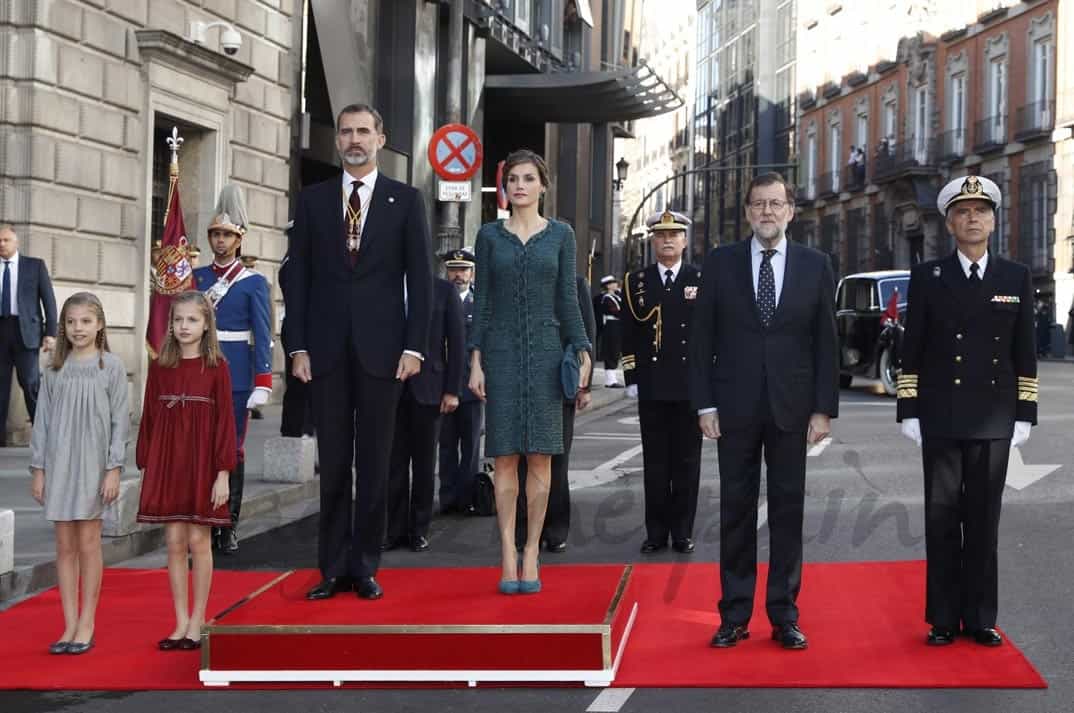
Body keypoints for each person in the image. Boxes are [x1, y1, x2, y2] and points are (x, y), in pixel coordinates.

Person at [285, 103, 433, 601]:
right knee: (333, 464)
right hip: (324, 353)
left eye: (363, 131)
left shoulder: (406, 201)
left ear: (380, 138)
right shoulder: (312, 202)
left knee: (374, 464)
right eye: (346, 131)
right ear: (338, 141)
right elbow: (298, 279)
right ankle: (330, 566)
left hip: (384, 354)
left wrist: (415, 347)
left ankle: (365, 564)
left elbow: (422, 282)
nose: (354, 139)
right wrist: (297, 345)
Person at [690, 172, 839, 651]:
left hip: (792, 409)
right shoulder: (720, 263)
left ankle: (785, 615)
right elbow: (702, 341)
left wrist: (823, 409)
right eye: (758, 205)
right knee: (735, 511)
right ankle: (734, 614)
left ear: (791, 211)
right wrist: (705, 404)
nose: (767, 212)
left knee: (787, 514)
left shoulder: (816, 266)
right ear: (749, 212)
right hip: (732, 408)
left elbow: (826, 345)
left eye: (776, 204)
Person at [896, 175, 1037, 647]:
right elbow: (910, 348)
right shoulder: (929, 277)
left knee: (983, 521)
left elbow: (1025, 350)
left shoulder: (1015, 277)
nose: (972, 218)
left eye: (980, 210)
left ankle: (979, 618)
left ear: (994, 221)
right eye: (962, 211)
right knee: (941, 519)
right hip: (940, 414)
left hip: (994, 419)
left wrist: (1024, 414)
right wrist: (909, 410)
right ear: (950, 223)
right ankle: (942, 618)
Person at [468, 149, 592, 595]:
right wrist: (475, 358)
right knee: (504, 457)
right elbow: (480, 302)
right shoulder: (488, 236)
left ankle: (533, 550)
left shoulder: (561, 235)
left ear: (543, 186)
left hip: (545, 355)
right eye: (512, 179)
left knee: (541, 457)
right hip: (500, 355)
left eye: (527, 178)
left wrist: (583, 350)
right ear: (504, 188)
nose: (518, 185)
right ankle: (506, 551)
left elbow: (568, 300)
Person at [29, 292, 128, 655]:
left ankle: (87, 622)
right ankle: (68, 623)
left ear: (100, 324)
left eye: (85, 321)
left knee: (88, 544)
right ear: (63, 326)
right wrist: (38, 469)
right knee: (64, 546)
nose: (78, 328)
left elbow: (120, 422)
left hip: (93, 466)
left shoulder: (111, 366)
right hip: (59, 463)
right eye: (71, 322)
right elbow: (42, 422)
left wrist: (113, 469)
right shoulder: (54, 367)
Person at [136, 291, 237, 651]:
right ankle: (179, 621)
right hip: (169, 463)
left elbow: (226, 422)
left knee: (199, 540)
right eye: (178, 319)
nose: (183, 326)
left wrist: (223, 472)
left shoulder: (217, 369)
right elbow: (149, 415)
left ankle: (198, 619)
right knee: (174, 542)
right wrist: (147, 462)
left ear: (206, 324)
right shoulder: (161, 366)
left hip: (203, 464)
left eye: (192, 320)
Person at [193, 186, 273, 555]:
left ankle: (229, 525)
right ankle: (206, 520)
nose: (219, 240)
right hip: (200, 370)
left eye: (226, 234)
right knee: (203, 447)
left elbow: (262, 333)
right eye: (215, 234)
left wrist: (263, 381)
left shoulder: (253, 282)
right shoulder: (197, 278)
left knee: (233, 448)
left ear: (239, 238)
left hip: (237, 373)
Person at [622, 210, 703, 555]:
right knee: (655, 462)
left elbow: (710, 335)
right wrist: (630, 376)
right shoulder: (636, 282)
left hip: (688, 386)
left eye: (674, 234)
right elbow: (628, 333)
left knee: (687, 462)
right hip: (652, 385)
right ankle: (655, 532)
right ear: (652, 241)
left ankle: (682, 532)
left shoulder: (700, 279)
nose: (667, 240)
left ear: (685, 240)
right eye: (661, 235)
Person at [515, 274, 597, 554]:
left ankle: (555, 529)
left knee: (558, 461)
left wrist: (584, 384)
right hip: (522, 382)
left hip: (560, 383)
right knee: (523, 458)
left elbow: (587, 332)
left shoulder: (573, 283)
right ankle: (525, 530)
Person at [384, 275, 464, 551]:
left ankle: (419, 529)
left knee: (424, 465)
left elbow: (456, 344)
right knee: (393, 465)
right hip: (390, 389)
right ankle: (393, 530)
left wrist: (452, 390)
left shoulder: (442, 290)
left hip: (429, 390)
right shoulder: (384, 285)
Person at [0, 225, 57, 446]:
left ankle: (44, 435)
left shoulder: (34, 266)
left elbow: (48, 301)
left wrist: (50, 333)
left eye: (6, 240)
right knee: (1, 387)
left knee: (31, 384)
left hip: (26, 333)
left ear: (16, 242)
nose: (2, 244)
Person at [437, 248, 481, 516]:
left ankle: (467, 497)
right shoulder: (437, 302)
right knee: (446, 446)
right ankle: (447, 497)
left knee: (472, 447)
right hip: (443, 387)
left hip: (473, 387)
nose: (458, 275)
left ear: (472, 273)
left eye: (463, 270)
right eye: (453, 270)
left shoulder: (480, 305)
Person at [278, 222, 314, 439]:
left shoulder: (298, 261)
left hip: (302, 327)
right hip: (298, 329)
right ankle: (296, 433)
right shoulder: (293, 264)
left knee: (306, 386)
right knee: (300, 385)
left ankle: (303, 433)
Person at [598, 275, 624, 388]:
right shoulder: (607, 298)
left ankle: (612, 379)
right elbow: (615, 311)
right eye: (613, 283)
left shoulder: (617, 296)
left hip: (617, 325)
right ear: (608, 286)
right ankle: (610, 380)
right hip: (611, 325)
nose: (616, 284)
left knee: (615, 351)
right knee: (611, 350)